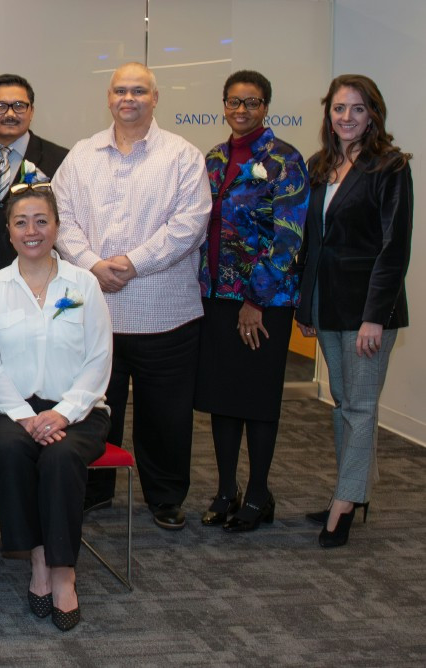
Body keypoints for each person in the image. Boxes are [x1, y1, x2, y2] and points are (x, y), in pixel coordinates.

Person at [52, 63, 209, 529]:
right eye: (121, 90)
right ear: (108, 96)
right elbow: (60, 216)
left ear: (155, 98)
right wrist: (92, 264)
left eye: (139, 91)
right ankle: (96, 490)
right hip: (96, 312)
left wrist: (133, 262)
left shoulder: (182, 156)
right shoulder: (82, 155)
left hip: (167, 314)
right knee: (94, 410)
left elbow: (190, 224)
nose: (129, 98)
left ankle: (165, 497)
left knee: (167, 417)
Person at [0, 184, 113, 632]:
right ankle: (37, 561)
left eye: (41, 221)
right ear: (8, 232)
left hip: (80, 407)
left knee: (61, 455)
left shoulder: (84, 283)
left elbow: (99, 358)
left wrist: (64, 412)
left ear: (56, 227)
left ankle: (64, 573)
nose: (31, 231)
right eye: (20, 222)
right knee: (13, 451)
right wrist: (27, 417)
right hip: (9, 408)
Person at [297, 74, 413, 548]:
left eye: (357, 109)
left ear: (373, 115)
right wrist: (307, 304)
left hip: (369, 309)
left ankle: (344, 505)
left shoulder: (390, 167)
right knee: (343, 403)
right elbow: (312, 242)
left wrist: (374, 316)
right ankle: (355, 491)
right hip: (327, 303)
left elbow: (394, 248)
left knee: (361, 407)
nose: (347, 117)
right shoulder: (320, 165)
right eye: (339, 108)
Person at [194, 71, 309, 533]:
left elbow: (288, 238)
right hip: (216, 299)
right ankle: (226, 490)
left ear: (267, 107)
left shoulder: (284, 160)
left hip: (263, 303)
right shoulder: (215, 158)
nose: (242, 110)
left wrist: (255, 300)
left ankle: (259, 494)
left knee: (257, 400)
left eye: (253, 102)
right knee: (223, 400)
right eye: (234, 102)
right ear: (223, 104)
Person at [0, 74, 69, 280]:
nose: (10, 113)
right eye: (0, 106)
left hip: (38, 278)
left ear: (32, 111)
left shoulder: (61, 159)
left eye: (19, 105)